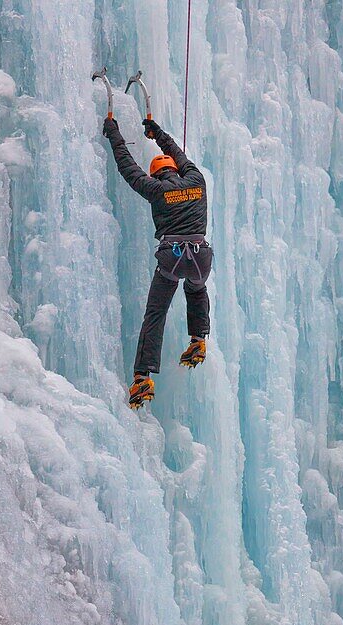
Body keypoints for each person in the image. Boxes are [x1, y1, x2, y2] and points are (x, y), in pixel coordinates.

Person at [103, 115, 212, 409]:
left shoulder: (155, 189)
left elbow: (127, 167)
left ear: (155, 176)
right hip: (200, 256)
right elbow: (179, 153)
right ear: (175, 169)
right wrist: (159, 134)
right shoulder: (196, 179)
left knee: (156, 314)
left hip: (172, 256)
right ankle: (198, 338)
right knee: (197, 289)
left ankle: (143, 377)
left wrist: (113, 133)